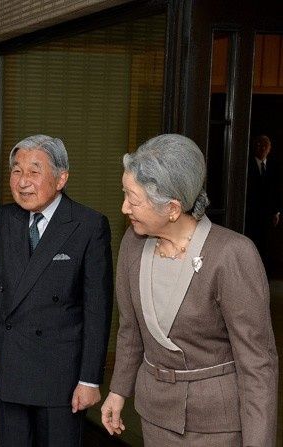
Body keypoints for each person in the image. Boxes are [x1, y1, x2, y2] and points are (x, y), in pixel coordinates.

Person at [101, 134, 278, 446]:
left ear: (172, 208)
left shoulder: (232, 254)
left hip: (215, 425)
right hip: (154, 415)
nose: (124, 207)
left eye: (134, 199)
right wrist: (118, 391)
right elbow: (130, 329)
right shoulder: (133, 243)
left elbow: (257, 366)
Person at [0, 135, 113, 446]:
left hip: (60, 371)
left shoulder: (88, 225)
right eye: (16, 170)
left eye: (34, 172)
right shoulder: (5, 218)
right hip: (11, 363)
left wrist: (89, 378)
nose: (22, 182)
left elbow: (97, 309)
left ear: (61, 178)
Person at [245, 134, 281, 271]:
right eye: (259, 145)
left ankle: (261, 271)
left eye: (265, 145)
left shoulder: (273, 166)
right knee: (250, 240)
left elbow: (277, 190)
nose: (262, 148)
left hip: (266, 213)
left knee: (265, 243)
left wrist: (276, 211)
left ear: (269, 148)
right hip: (250, 212)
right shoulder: (247, 165)